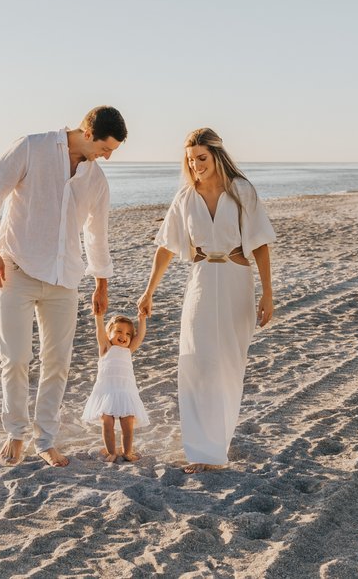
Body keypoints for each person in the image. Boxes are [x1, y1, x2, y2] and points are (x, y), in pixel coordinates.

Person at [0, 106, 127, 467]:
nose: (107, 157)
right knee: (15, 358)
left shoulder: (96, 180)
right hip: (16, 269)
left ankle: (45, 439)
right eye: (105, 149)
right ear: (88, 133)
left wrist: (101, 283)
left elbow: (96, 235)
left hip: (65, 278)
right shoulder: (31, 148)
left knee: (57, 362)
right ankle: (14, 434)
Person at [137, 128, 275, 474]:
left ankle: (218, 446)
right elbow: (167, 246)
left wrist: (268, 293)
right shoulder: (185, 197)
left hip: (236, 281)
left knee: (227, 366)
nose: (196, 165)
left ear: (216, 155)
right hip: (200, 282)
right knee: (197, 363)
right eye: (190, 160)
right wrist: (149, 290)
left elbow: (259, 244)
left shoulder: (242, 192)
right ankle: (201, 451)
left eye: (201, 158)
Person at [81, 311, 150, 462]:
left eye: (127, 334)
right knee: (107, 423)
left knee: (128, 425)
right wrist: (98, 316)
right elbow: (99, 330)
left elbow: (140, 337)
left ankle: (127, 452)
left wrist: (142, 319)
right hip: (107, 392)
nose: (123, 336)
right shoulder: (106, 347)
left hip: (126, 391)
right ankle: (111, 451)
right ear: (109, 333)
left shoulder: (128, 350)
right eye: (118, 331)